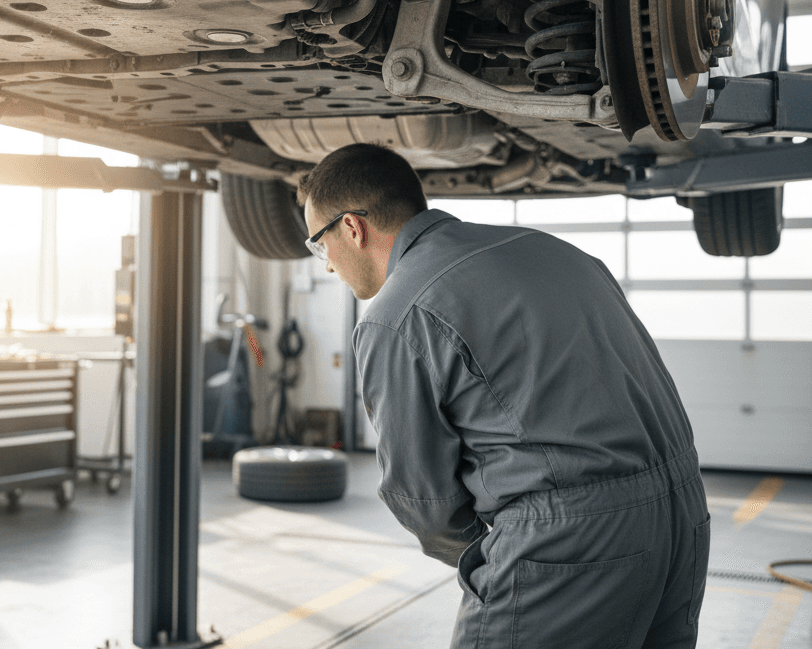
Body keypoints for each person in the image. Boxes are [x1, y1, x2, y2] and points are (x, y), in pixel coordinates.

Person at [297, 142, 710, 649]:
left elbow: (423, 498)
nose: (327, 266)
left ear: (352, 229)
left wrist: (511, 549)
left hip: (571, 544)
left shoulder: (396, 315)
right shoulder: (549, 249)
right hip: (683, 512)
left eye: (320, 244)